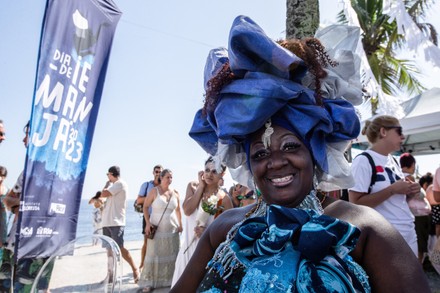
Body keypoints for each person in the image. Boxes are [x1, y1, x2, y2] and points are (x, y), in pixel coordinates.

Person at [170, 15, 430, 292]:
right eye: (259, 154)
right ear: (247, 163)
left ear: (316, 152)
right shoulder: (225, 227)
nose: (275, 162)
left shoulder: (363, 227)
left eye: (291, 146)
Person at [349, 116, 421, 256]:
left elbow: (395, 199)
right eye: (399, 131)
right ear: (383, 132)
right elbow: (355, 203)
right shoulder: (363, 161)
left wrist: (410, 191)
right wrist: (393, 189)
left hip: (408, 230)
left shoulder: (393, 160)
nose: (403, 136)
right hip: (385, 236)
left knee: (410, 277)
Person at [0, 122, 54, 292]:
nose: (23, 139)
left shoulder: (57, 172)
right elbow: (8, 200)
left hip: (36, 248)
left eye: (28, 134)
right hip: (13, 244)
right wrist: (23, 207)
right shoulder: (26, 172)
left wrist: (24, 206)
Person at [171, 157, 233, 287]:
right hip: (187, 248)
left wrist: (208, 233)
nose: (209, 174)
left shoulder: (224, 198)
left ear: (222, 174)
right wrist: (201, 187)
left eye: (214, 171)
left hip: (207, 252)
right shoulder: (193, 187)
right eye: (207, 170)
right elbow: (187, 211)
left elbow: (230, 233)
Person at [138, 169, 182, 292]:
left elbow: (178, 210)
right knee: (153, 254)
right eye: (168, 177)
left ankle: (171, 280)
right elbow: (145, 207)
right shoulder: (154, 191)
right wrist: (147, 223)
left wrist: (181, 224)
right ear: (161, 178)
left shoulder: (175, 193)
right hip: (156, 229)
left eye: (171, 177)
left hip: (172, 229)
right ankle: (149, 282)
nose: (170, 180)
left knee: (172, 254)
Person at [100, 166, 139, 283]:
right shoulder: (115, 186)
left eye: (108, 175)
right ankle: (110, 276)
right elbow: (102, 198)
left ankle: (135, 269)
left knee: (120, 248)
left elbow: (103, 193)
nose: (107, 177)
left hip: (116, 222)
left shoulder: (120, 184)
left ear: (111, 174)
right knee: (109, 250)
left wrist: (107, 184)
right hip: (107, 221)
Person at [400, 153, 431, 263]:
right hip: (417, 217)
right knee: (419, 248)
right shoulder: (408, 177)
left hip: (414, 216)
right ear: (412, 164)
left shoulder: (400, 176)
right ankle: (418, 273)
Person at [135, 164, 163, 271]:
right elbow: (139, 200)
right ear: (153, 172)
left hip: (161, 217)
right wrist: (152, 196)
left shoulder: (164, 186)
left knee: (160, 242)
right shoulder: (146, 185)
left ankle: (155, 265)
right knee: (147, 242)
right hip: (149, 216)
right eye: (156, 172)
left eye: (160, 172)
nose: (158, 173)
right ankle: (142, 264)